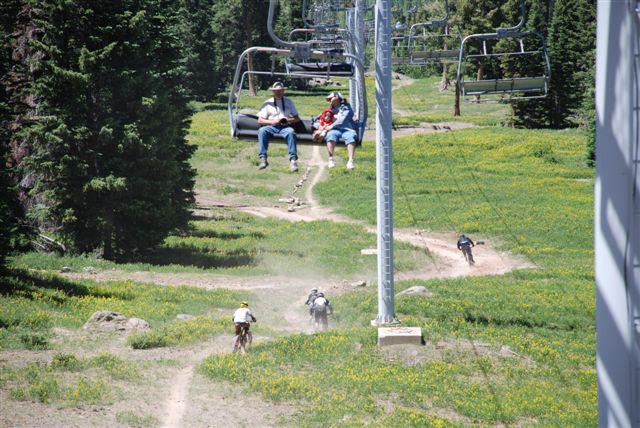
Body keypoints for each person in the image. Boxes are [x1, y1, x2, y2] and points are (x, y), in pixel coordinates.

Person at [256, 82, 301, 172]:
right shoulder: (267, 103)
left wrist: (288, 120)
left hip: (285, 127)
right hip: (271, 126)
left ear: (283, 91)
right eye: (276, 91)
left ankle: (293, 160)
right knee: (262, 131)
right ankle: (263, 159)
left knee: (291, 132)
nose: (278, 93)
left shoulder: (289, 102)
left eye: (280, 91)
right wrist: (273, 121)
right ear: (273, 92)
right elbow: (260, 120)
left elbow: (297, 118)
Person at [322, 91, 358, 170]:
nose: (329, 101)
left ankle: (350, 161)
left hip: (347, 129)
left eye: (330, 98)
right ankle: (330, 159)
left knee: (351, 137)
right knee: (330, 136)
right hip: (335, 130)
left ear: (337, 98)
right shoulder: (330, 110)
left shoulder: (347, 108)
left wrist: (331, 126)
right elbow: (322, 117)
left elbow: (342, 120)